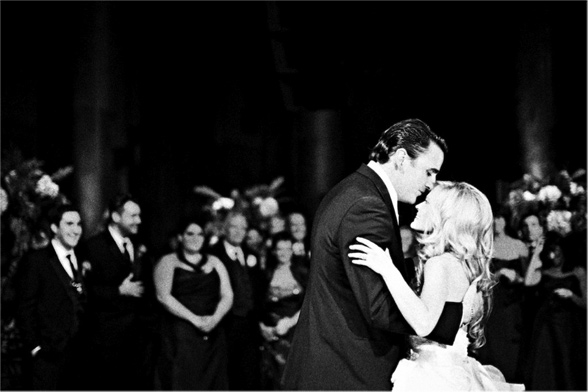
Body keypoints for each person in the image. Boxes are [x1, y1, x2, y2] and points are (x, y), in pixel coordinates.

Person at [282, 118, 450, 390]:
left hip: (334, 364)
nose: (432, 183)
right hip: (349, 371)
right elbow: (378, 307)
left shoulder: (353, 189)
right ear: (401, 158)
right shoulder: (366, 205)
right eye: (429, 172)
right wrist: (441, 315)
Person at [349, 181, 524, 391]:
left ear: (446, 218)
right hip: (454, 370)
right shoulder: (461, 263)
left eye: (428, 203)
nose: (418, 206)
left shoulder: (440, 263)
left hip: (434, 376)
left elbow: (423, 324)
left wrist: (386, 269)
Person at [82, 194, 158, 390]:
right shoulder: (93, 246)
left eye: (139, 216)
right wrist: (118, 290)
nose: (139, 221)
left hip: (139, 337)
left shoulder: (140, 244)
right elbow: (82, 289)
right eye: (133, 216)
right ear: (116, 217)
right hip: (107, 338)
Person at [153, 217, 233, 390]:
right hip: (181, 335)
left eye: (200, 234)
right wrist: (195, 320)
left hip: (213, 332)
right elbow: (163, 297)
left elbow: (227, 294)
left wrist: (214, 319)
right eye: (190, 233)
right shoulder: (168, 261)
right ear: (180, 237)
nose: (196, 238)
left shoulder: (215, 261)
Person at [15, 204, 88, 390]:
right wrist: (35, 348)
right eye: (69, 223)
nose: (76, 229)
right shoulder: (36, 260)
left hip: (78, 355)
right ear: (55, 228)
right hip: (46, 356)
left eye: (78, 224)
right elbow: (24, 306)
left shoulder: (81, 257)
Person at [522, 232, 587, 390]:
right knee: (547, 365)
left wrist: (570, 295)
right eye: (551, 252)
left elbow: (585, 303)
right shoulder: (544, 272)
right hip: (547, 326)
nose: (554, 256)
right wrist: (537, 252)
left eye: (558, 252)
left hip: (570, 327)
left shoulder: (578, 272)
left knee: (567, 364)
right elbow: (528, 282)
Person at [209, 210, 265, 390]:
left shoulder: (252, 255)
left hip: (250, 325)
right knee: (228, 375)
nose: (239, 231)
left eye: (243, 228)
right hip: (225, 325)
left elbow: (258, 290)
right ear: (225, 228)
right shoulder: (213, 255)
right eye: (234, 226)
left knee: (249, 376)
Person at [476, 212, 528, 382]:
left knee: (513, 348)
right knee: (494, 347)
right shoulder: (484, 245)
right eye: (493, 219)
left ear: (506, 221)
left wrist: (516, 277)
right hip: (493, 302)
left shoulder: (519, 245)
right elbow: (479, 278)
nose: (497, 222)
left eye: (500, 218)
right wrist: (498, 273)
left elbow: (529, 277)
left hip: (512, 302)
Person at [259, 231, 309, 390]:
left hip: (297, 332)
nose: (284, 253)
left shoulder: (302, 272)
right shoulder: (266, 274)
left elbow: (310, 303)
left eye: (287, 249)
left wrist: (290, 322)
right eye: (280, 249)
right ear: (273, 251)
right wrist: (263, 328)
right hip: (272, 337)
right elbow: (259, 305)